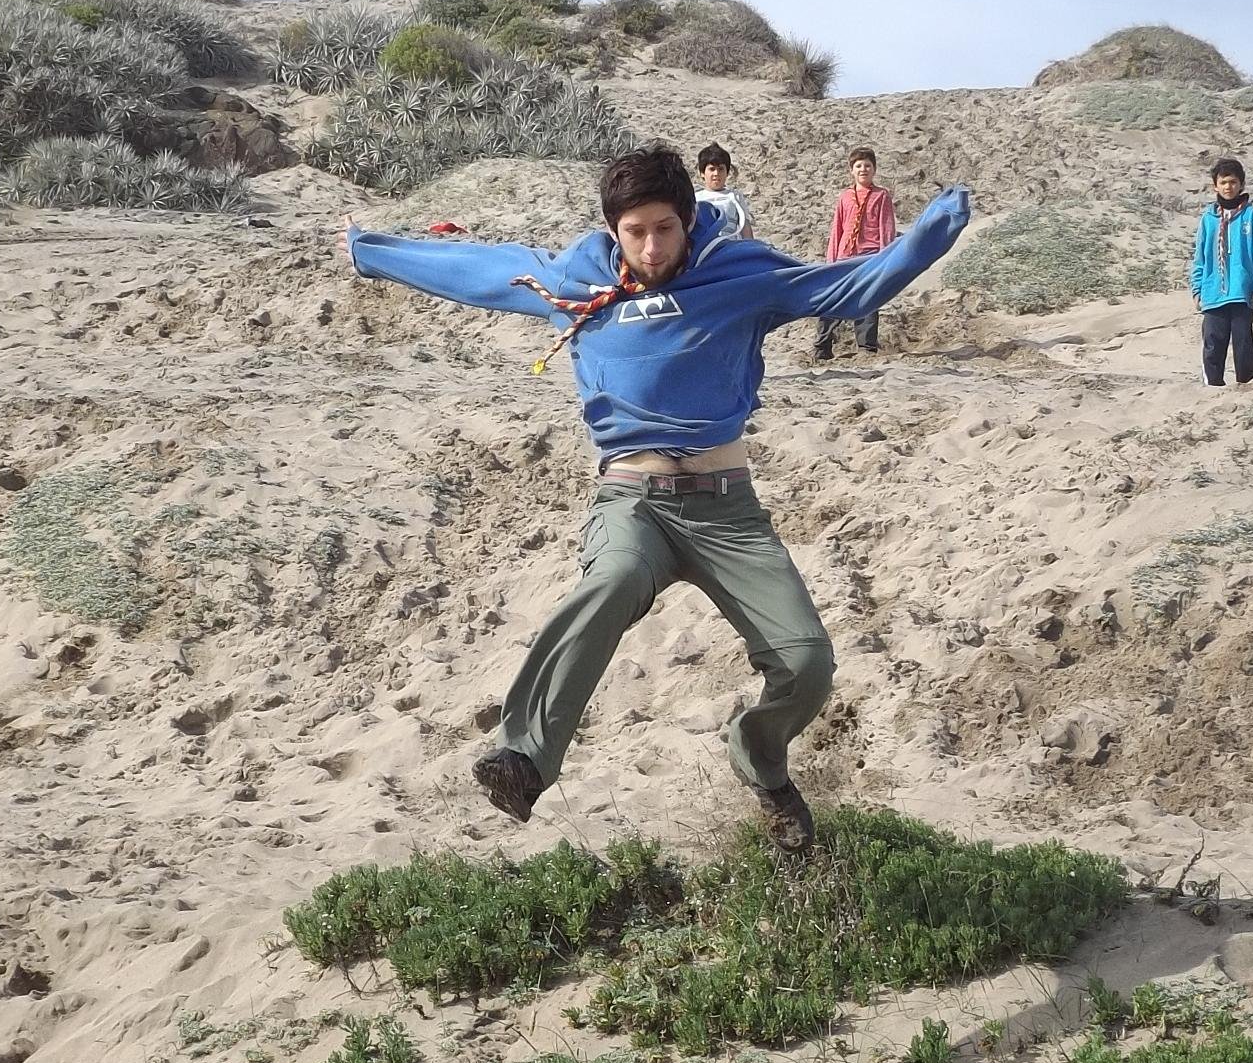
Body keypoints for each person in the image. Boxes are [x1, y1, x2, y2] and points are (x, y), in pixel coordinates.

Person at [338, 145, 969, 851]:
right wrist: (370, 250)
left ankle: (760, 760)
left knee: (806, 661)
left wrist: (922, 241)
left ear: (689, 219)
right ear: (614, 230)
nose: (650, 245)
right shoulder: (575, 283)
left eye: (665, 228)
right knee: (610, 579)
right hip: (632, 502)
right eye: (634, 231)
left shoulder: (739, 272)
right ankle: (522, 756)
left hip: (726, 510)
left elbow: (845, 288)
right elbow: (480, 269)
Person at [1190, 157, 1253, 387]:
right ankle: (1212, 388)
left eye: (1234, 182)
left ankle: (1248, 388)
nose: (1229, 187)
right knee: (1213, 343)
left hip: (1242, 292)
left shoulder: (1252, 216)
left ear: (1242, 185)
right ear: (1215, 186)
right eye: (1224, 182)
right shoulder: (1208, 219)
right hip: (1213, 293)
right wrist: (1197, 289)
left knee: (1243, 343)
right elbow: (1200, 257)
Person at [815, 147, 897, 359]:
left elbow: (886, 228)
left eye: (868, 166)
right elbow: (837, 229)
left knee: (868, 300)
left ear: (874, 169)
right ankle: (822, 346)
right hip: (844, 256)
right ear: (851, 170)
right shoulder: (845, 197)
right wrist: (831, 259)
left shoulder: (881, 195)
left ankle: (866, 347)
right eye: (859, 166)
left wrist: (886, 257)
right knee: (834, 299)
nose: (863, 169)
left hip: (870, 256)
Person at [694, 141, 754, 241]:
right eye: (712, 169)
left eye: (721, 169)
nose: (716, 173)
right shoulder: (695, 198)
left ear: (727, 173)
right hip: (703, 248)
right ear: (702, 173)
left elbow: (745, 228)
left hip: (729, 248)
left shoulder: (735, 196)